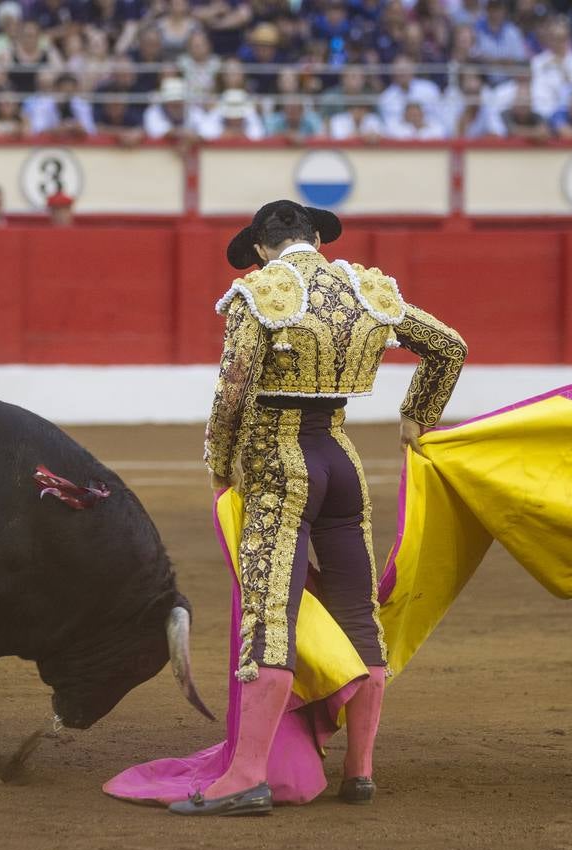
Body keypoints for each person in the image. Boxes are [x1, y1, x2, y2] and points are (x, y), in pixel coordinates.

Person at [165, 200, 467, 817]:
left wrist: (221, 465)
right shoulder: (367, 289)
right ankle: (360, 770)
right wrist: (417, 416)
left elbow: (233, 390)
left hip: (279, 464)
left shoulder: (261, 292)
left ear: (259, 247)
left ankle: (247, 776)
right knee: (358, 612)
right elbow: (448, 347)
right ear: (315, 238)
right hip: (341, 461)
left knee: (269, 616)